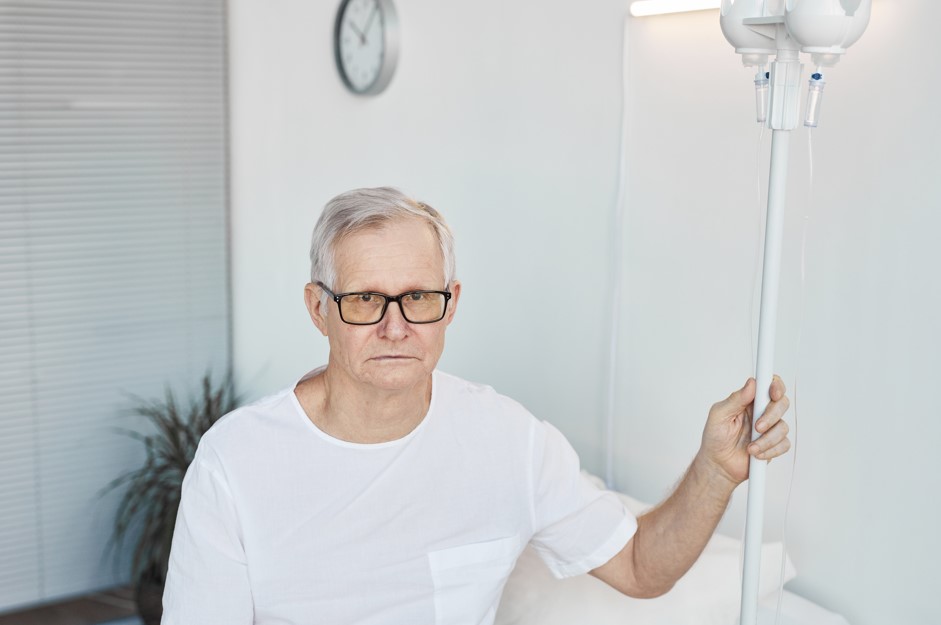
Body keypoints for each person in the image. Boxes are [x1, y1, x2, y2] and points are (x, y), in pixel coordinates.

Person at [161, 187, 790, 625]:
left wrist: (713, 472)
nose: (395, 326)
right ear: (318, 307)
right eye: (364, 300)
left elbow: (639, 568)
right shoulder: (235, 463)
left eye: (418, 298)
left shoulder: (507, 440)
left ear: (451, 303)